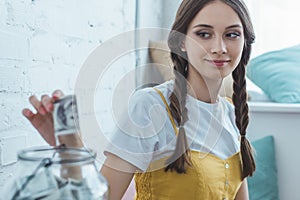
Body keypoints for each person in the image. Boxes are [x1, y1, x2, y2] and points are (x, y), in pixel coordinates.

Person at [22, 0, 256, 199]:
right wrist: (71, 149)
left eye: (232, 34)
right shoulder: (151, 106)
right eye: (204, 34)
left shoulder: (231, 113)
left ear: (245, 42)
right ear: (181, 42)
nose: (219, 47)